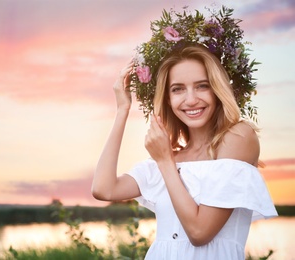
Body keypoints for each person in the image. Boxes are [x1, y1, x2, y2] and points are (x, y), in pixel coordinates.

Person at [91, 7, 278, 259]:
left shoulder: (238, 137)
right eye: (178, 89)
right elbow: (104, 189)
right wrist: (123, 109)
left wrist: (166, 162)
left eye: (202, 86)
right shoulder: (169, 156)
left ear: (217, 90)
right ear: (167, 99)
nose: (191, 100)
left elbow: (200, 233)